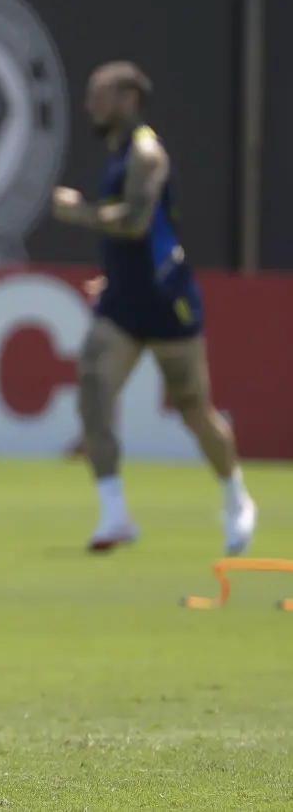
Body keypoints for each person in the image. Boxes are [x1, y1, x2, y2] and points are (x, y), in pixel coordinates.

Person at [50, 60, 256, 555]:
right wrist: (115, 278)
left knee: (193, 408)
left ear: (128, 98)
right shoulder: (118, 152)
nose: (90, 105)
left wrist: (78, 210)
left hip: (168, 303)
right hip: (123, 302)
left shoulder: (145, 153)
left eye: (99, 94)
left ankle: (235, 497)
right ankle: (115, 515)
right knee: (93, 396)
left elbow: (137, 222)